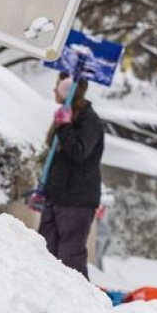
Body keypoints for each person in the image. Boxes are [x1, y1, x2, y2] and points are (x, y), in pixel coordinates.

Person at [38, 73, 105, 278]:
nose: (53, 90)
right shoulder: (66, 116)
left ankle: (79, 297)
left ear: (68, 90)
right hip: (55, 197)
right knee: (45, 252)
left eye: (58, 86)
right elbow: (57, 158)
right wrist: (43, 190)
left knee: (70, 257)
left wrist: (65, 126)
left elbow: (78, 153)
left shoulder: (89, 121)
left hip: (77, 201)